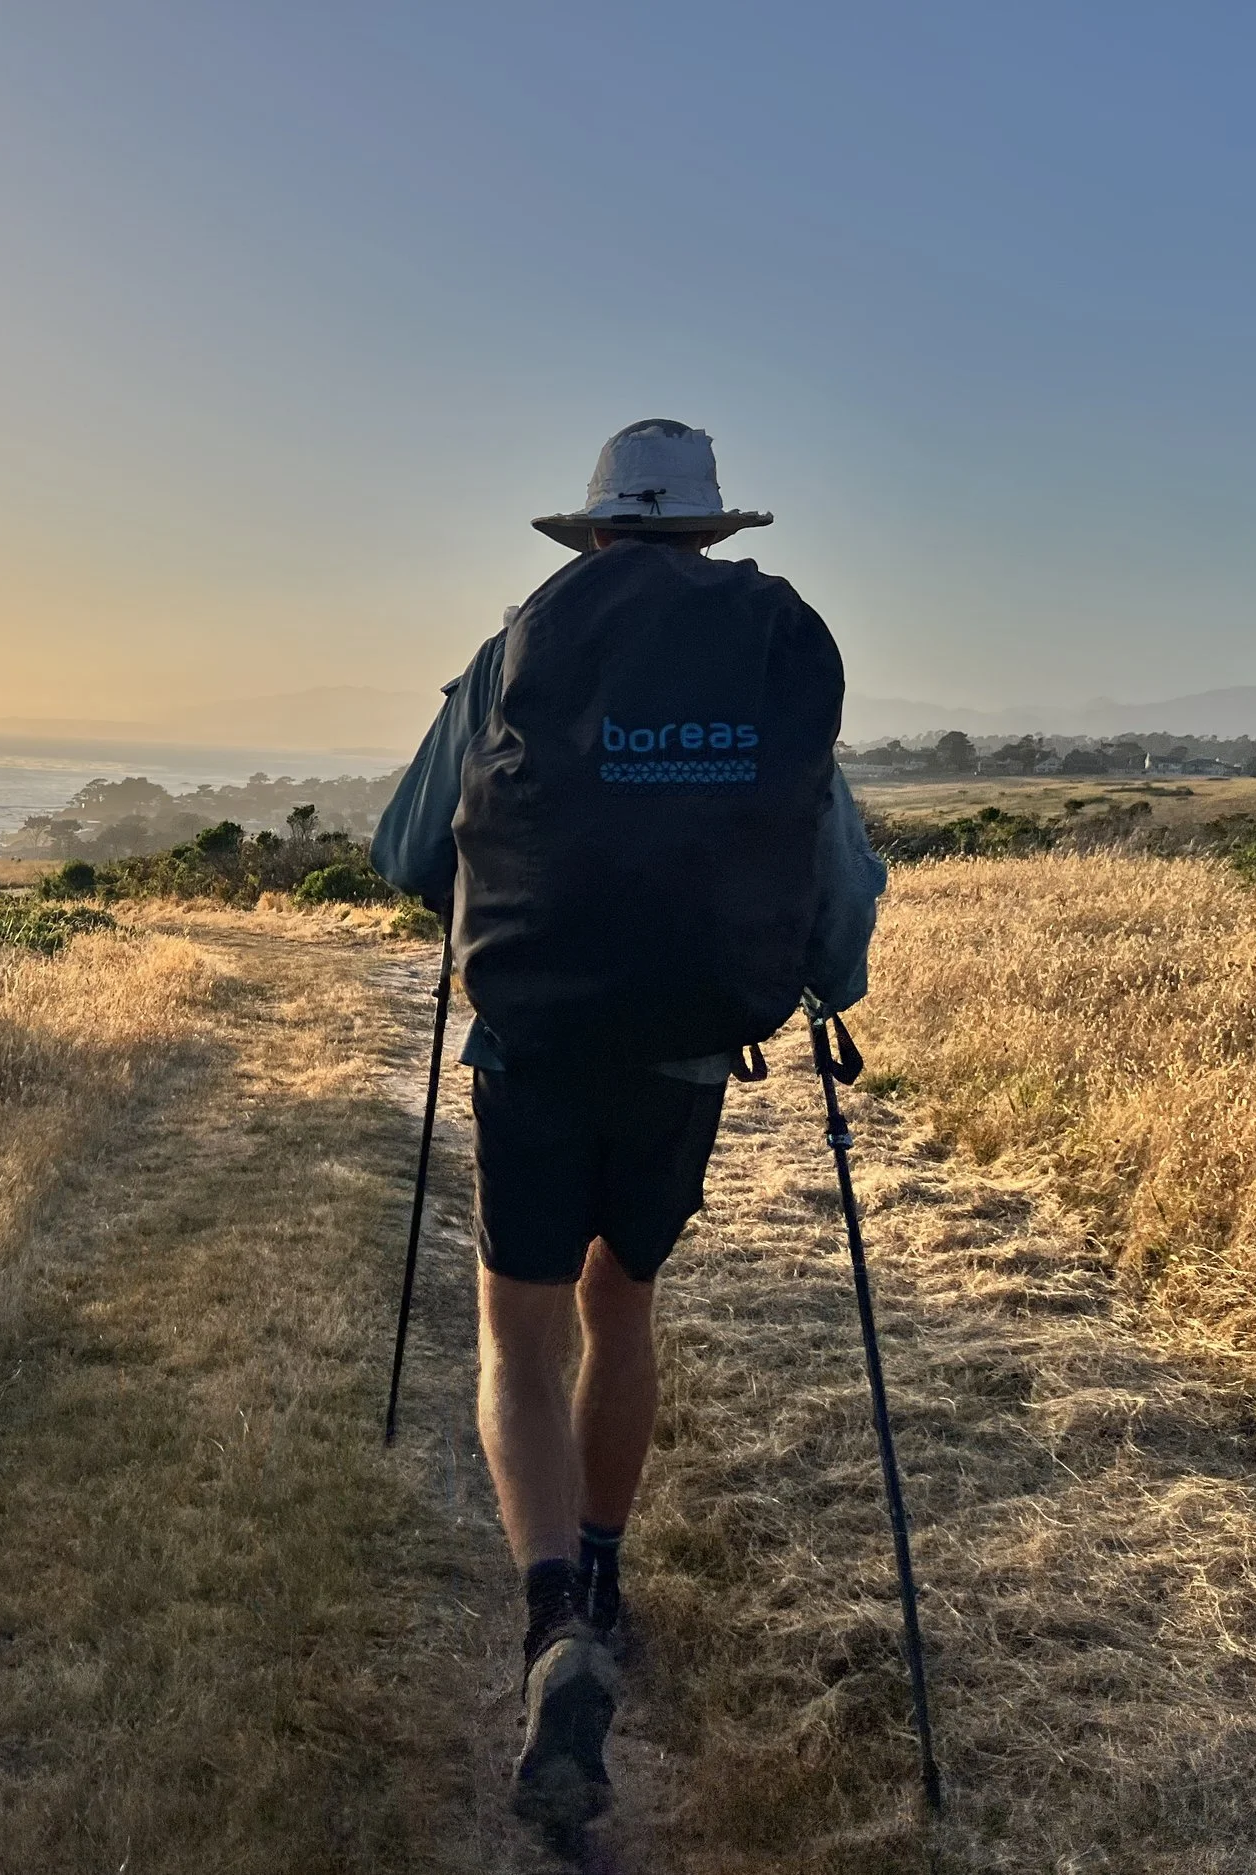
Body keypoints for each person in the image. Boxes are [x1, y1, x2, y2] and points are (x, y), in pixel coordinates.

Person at [371, 419, 886, 1841]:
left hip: (533, 1050)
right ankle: (604, 1567)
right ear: (713, 536)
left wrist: (499, 919)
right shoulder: (766, 660)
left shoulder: (517, 646)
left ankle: (553, 1631)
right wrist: (825, 990)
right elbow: (825, 871)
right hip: (682, 1060)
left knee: (514, 1336)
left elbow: (406, 846)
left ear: (592, 533)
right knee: (624, 1302)